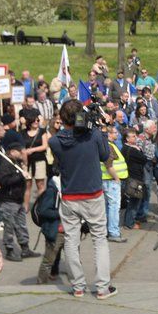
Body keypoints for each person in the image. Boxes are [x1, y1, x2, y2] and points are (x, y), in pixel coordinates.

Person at [49, 99, 118, 299]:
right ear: (81, 116)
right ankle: (103, 287)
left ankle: (78, 286)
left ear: (62, 118)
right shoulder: (94, 135)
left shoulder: (55, 141)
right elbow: (105, 155)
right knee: (99, 239)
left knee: (71, 240)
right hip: (92, 194)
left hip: (70, 196)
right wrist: (102, 132)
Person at [0, 133, 40, 263]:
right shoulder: (4, 163)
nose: (22, 153)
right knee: (9, 226)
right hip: (8, 201)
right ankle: (9, 249)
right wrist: (20, 176)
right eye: (20, 151)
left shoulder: (16, 162)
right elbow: (4, 181)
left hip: (18, 200)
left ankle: (24, 248)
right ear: (12, 151)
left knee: (21, 225)